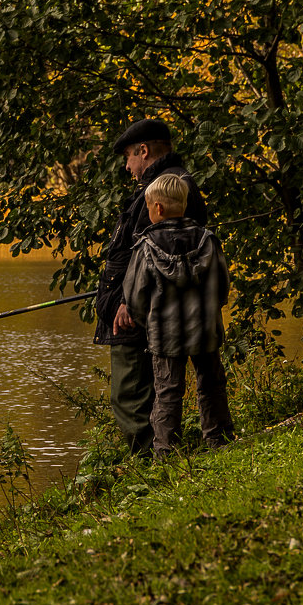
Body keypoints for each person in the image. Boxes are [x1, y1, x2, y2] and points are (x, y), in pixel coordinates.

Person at [93, 118, 206, 456]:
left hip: (136, 312)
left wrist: (128, 300)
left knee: (130, 395)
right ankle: (162, 458)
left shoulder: (164, 190)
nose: (127, 166)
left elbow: (155, 251)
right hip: (136, 307)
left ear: (144, 151)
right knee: (151, 390)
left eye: (129, 156)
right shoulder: (167, 184)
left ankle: (152, 465)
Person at [122, 173, 234, 457]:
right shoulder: (208, 240)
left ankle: (165, 451)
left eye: (148, 208)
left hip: (165, 334)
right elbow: (223, 286)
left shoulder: (146, 246)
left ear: (157, 208)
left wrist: (144, 319)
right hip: (206, 329)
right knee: (211, 385)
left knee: (168, 392)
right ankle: (218, 440)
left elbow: (135, 295)